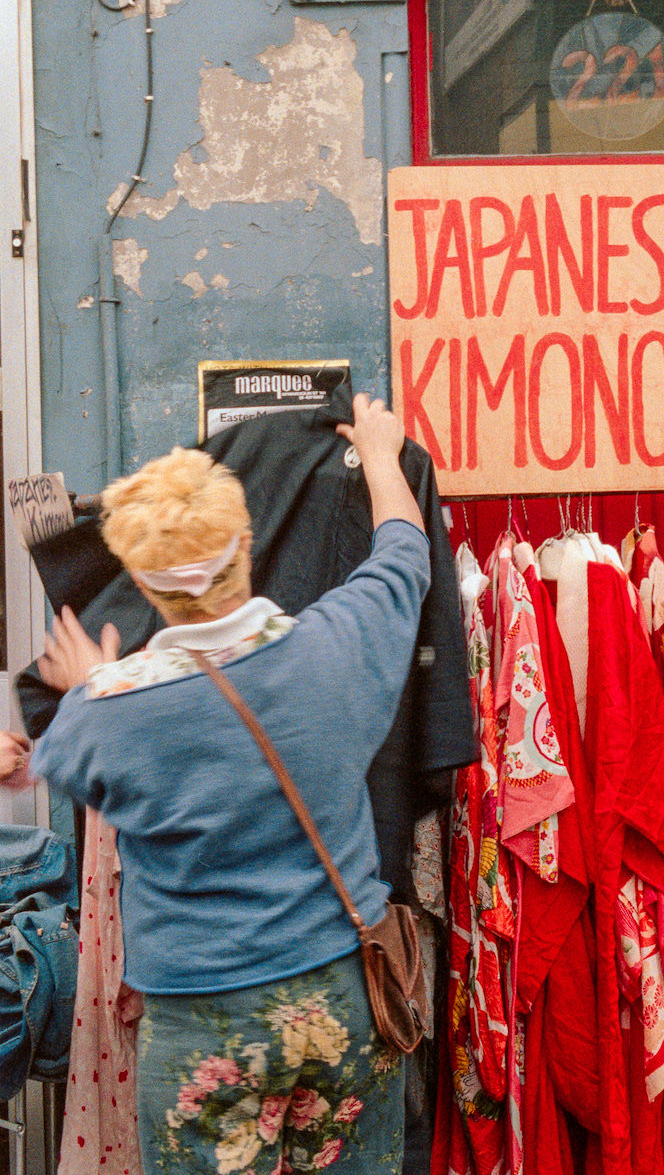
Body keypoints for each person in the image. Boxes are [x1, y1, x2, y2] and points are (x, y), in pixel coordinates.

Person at [24, 392, 431, 1175]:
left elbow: (53, 760)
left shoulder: (108, 713)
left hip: (202, 1024)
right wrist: (380, 452)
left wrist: (89, 685)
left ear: (145, 587)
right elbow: (403, 555)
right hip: (343, 998)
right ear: (245, 543)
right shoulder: (340, 643)